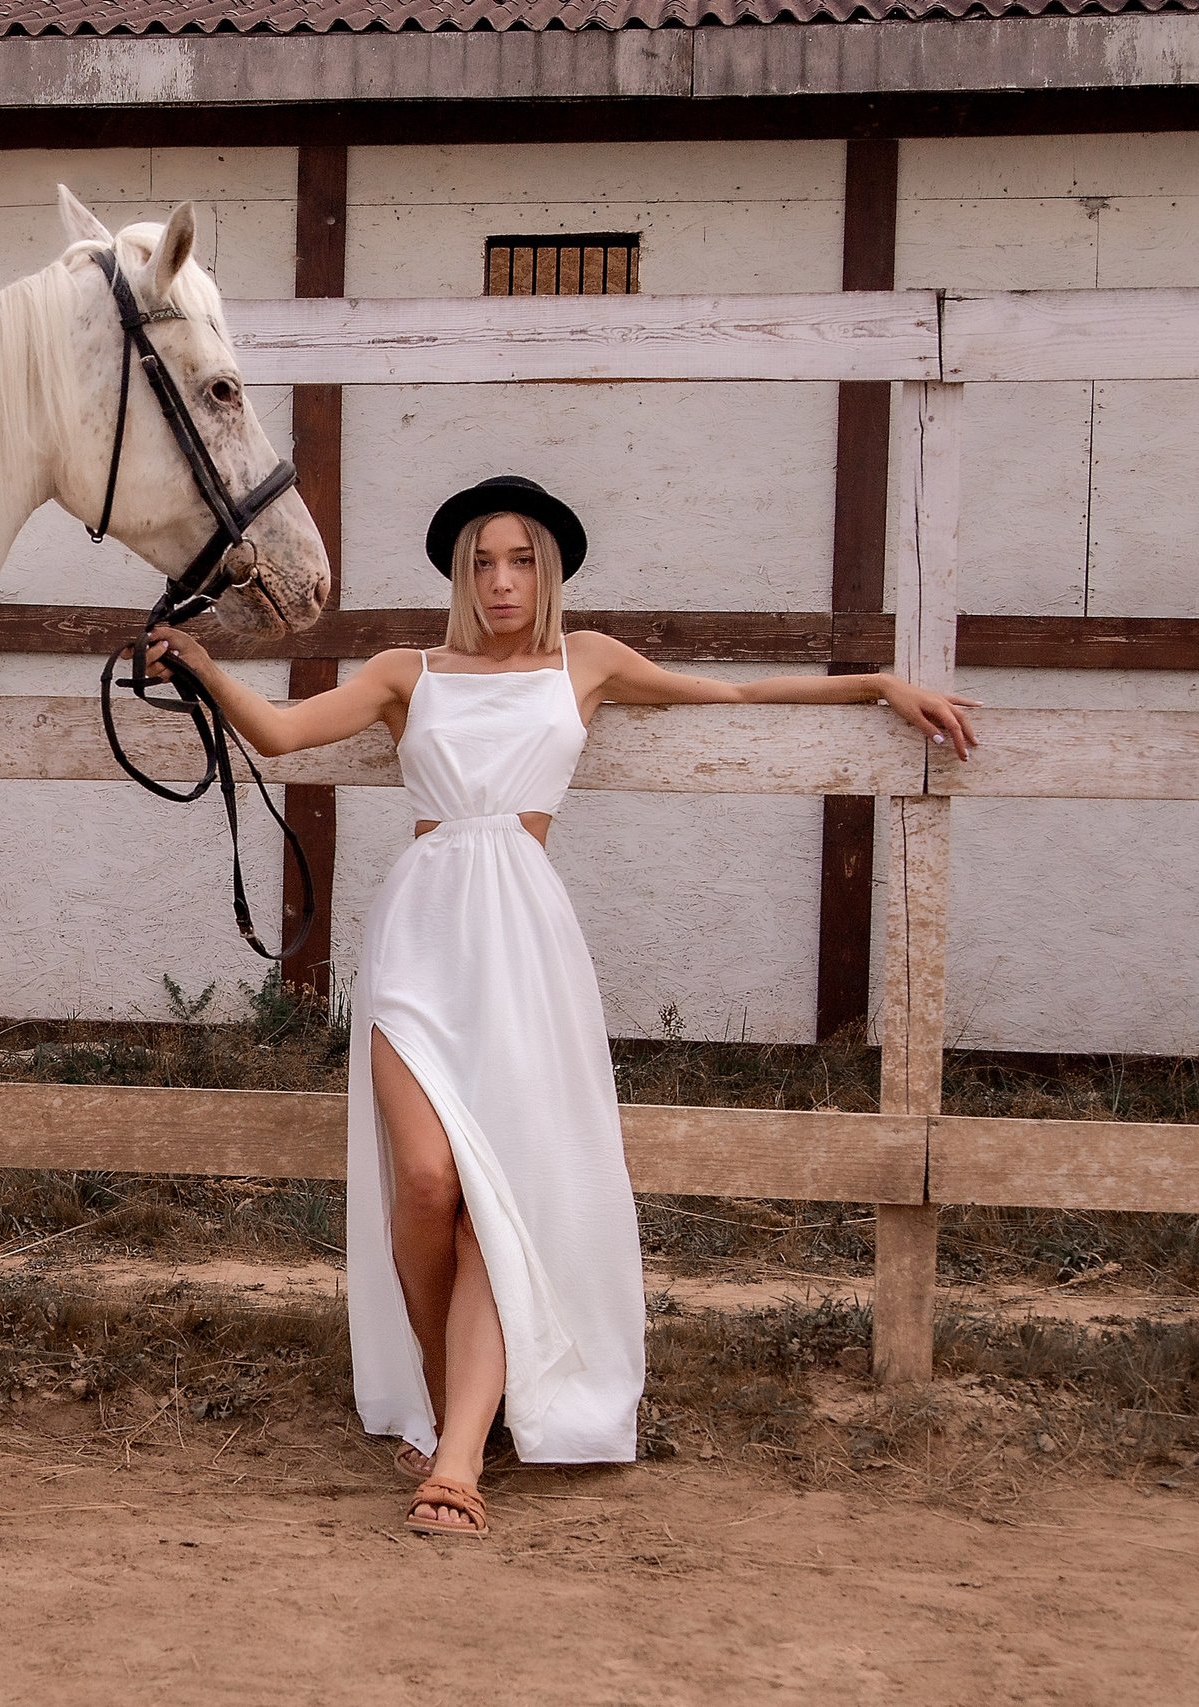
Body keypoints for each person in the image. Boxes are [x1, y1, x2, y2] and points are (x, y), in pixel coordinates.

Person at [143, 475, 978, 1538]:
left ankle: (455, 1461)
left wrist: (876, 685)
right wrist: (204, 667)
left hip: (525, 949)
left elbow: (729, 696)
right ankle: (452, 1402)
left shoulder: (587, 664)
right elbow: (279, 734)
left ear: (548, 570)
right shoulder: (408, 673)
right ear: (460, 574)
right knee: (428, 1182)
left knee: (502, 1199)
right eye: (481, 562)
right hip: (418, 939)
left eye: (520, 560)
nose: (500, 580)